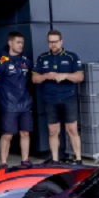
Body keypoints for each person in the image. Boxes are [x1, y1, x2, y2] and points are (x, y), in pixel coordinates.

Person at [33, 29, 83, 164]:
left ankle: (78, 159)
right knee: (53, 131)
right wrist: (45, 76)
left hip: (68, 97)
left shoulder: (71, 56)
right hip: (50, 99)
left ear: (61, 41)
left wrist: (65, 76)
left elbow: (80, 76)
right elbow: (34, 79)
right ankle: (55, 160)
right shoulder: (42, 58)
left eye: (55, 42)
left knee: (72, 129)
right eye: (50, 42)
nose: (53, 45)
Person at [0, 32, 33, 169]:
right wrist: (4, 97)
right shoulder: (1, 63)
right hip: (9, 104)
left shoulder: (26, 61)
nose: (21, 45)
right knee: (7, 134)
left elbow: (31, 81)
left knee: (25, 132)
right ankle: (3, 163)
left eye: (22, 42)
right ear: (10, 43)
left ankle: (25, 160)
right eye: (18, 42)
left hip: (25, 103)